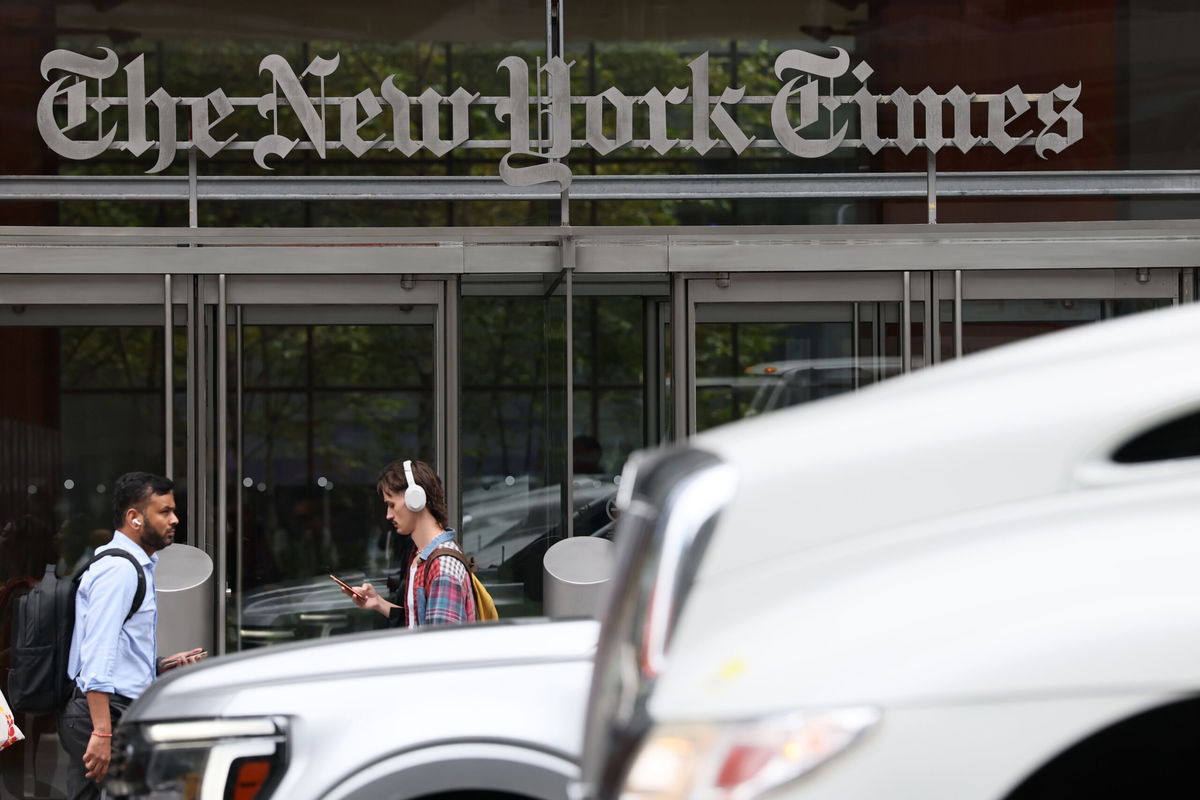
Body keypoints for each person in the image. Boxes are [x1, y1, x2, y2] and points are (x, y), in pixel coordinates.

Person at [59, 472, 207, 800]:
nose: (175, 519)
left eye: (173, 510)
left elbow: (116, 647)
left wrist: (155, 667)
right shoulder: (119, 570)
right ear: (134, 518)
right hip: (101, 714)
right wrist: (101, 731)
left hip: (105, 711)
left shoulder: (132, 566)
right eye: (164, 511)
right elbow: (97, 651)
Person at [341, 459, 475, 627]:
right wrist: (378, 603)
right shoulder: (421, 555)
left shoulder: (442, 568)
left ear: (415, 499)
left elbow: (441, 647)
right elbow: (418, 622)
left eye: (391, 505)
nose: (388, 515)